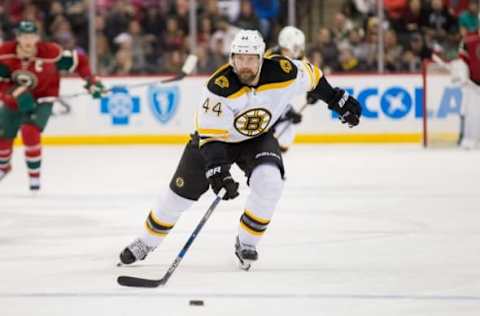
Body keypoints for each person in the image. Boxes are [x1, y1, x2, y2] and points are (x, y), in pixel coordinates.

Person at [119, 30, 361, 270]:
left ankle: (247, 243)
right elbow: (211, 136)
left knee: (270, 181)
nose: (244, 65)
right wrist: (217, 171)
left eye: (250, 59)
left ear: (261, 58)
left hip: (256, 138)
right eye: (239, 59)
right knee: (177, 198)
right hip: (213, 142)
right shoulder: (218, 87)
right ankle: (146, 242)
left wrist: (337, 100)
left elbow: (314, 77)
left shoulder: (283, 71)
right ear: (232, 59)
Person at [0, 21, 104, 190]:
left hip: (43, 99)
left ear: (37, 38)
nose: (27, 40)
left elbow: (81, 61)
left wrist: (91, 81)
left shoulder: (50, 53)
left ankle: (35, 180)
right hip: (14, 98)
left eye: (31, 36)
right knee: (3, 136)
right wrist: (16, 92)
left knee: (29, 131)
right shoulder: (4, 54)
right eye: (24, 36)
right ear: (17, 38)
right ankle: (3, 167)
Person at [265, 25, 306, 152]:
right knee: (288, 114)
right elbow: (268, 92)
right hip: (264, 102)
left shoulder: (298, 59)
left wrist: (314, 92)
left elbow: (309, 73)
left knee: (293, 118)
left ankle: (279, 144)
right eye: (296, 47)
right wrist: (285, 110)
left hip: (279, 101)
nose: (299, 50)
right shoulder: (270, 58)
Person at [457, 30, 480, 149]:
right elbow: (462, 62)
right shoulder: (468, 42)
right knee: (472, 114)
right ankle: (469, 140)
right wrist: (463, 76)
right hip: (473, 86)